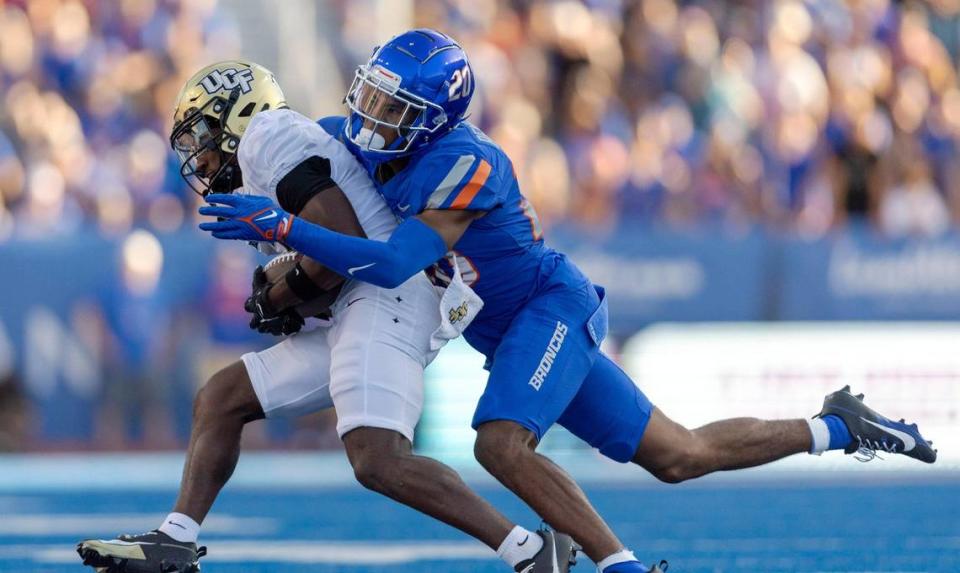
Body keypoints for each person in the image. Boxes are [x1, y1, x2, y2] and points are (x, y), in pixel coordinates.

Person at [199, 30, 938, 573]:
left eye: (392, 108)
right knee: (679, 454)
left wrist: (284, 227)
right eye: (369, 94)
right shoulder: (361, 142)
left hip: (547, 310)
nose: (369, 115)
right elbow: (319, 185)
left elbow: (393, 262)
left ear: (432, 117)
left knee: (498, 442)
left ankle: (617, 564)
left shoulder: (467, 162)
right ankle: (838, 425)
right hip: (508, 329)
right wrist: (282, 262)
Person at [77, 60, 578, 573]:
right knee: (223, 398)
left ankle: (532, 552)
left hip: (389, 296)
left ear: (240, 114)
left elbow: (345, 244)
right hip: (363, 299)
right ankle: (176, 540)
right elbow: (328, 257)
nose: (199, 156)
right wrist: (289, 298)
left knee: (377, 457)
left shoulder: (268, 137)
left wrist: (284, 294)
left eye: (205, 133)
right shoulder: (264, 162)